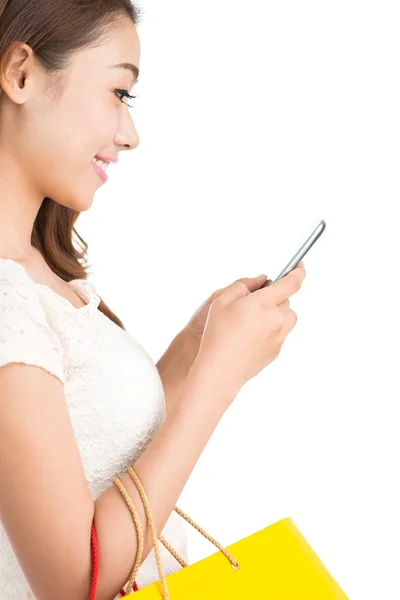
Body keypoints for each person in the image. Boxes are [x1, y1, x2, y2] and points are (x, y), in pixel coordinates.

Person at [0, 1, 307, 599]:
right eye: (120, 92)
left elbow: (96, 452)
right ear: (20, 74)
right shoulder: (6, 300)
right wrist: (219, 377)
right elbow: (75, 582)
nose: (129, 134)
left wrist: (195, 352)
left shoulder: (36, 276)